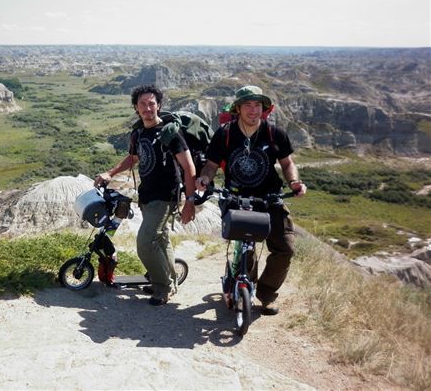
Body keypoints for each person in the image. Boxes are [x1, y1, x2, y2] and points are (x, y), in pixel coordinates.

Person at [195, 85, 306, 315]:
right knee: (246, 248)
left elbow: (287, 163)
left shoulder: (275, 134)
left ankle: (265, 294)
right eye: (248, 105)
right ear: (238, 108)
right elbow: (211, 165)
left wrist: (294, 182)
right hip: (236, 198)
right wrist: (204, 178)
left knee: (285, 248)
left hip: (269, 198)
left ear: (264, 109)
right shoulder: (225, 134)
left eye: (258, 105)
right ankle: (245, 287)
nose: (254, 110)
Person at [94, 84, 196, 306]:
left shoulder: (170, 133)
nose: (148, 108)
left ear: (159, 105)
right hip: (146, 195)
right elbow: (133, 158)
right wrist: (110, 173)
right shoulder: (138, 132)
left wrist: (190, 201)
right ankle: (171, 281)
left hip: (165, 196)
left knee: (145, 241)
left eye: (152, 103)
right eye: (143, 104)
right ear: (136, 107)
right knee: (161, 240)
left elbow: (189, 168)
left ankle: (162, 287)